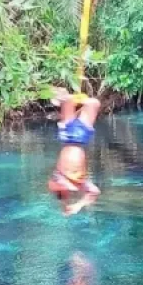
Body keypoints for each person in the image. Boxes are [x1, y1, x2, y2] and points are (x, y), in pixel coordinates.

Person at [47, 87, 101, 215]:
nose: (68, 191)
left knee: (68, 99)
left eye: (64, 193)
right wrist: (78, 205)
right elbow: (95, 192)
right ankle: (75, 102)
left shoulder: (59, 179)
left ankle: (59, 95)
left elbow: (57, 186)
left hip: (68, 137)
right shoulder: (80, 182)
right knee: (94, 103)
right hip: (82, 138)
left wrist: (64, 204)